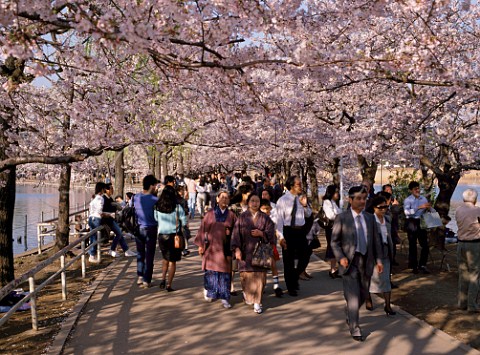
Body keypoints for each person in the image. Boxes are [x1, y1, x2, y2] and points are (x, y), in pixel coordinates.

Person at [331, 186, 383, 342]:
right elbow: (334, 242)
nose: (362, 201)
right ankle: (355, 327)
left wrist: (379, 260)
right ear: (350, 199)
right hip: (349, 263)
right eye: (359, 198)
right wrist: (340, 257)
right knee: (353, 296)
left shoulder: (370, 218)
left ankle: (350, 313)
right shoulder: (342, 218)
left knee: (362, 295)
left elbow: (376, 241)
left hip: (366, 261)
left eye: (364, 198)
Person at [231, 193, 275, 314]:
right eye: (252, 201)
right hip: (245, 252)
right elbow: (235, 234)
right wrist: (237, 249)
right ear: (248, 202)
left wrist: (262, 234)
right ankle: (248, 294)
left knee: (260, 278)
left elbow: (271, 234)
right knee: (246, 277)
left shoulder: (265, 218)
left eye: (257, 201)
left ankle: (257, 302)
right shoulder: (242, 217)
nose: (255, 203)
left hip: (260, 252)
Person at [194, 191, 237, 309]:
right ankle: (210, 291)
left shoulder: (232, 215)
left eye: (227, 197)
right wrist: (201, 245)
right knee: (211, 270)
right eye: (222, 197)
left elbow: (236, 230)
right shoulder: (210, 214)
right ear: (217, 199)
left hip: (225, 247)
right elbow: (202, 229)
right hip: (211, 247)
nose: (224, 199)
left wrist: (232, 236)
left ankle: (224, 297)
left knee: (225, 273)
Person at [275, 176, 313, 297]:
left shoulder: (302, 198)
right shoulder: (282, 200)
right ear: (291, 186)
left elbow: (309, 214)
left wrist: (305, 205)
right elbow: (279, 220)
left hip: (300, 231)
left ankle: (295, 276)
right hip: (288, 231)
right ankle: (291, 286)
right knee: (288, 260)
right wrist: (281, 237)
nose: (300, 186)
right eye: (298, 184)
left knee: (306, 254)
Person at [366, 195, 396, 316]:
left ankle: (387, 305)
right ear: (374, 208)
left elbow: (391, 234)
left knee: (386, 279)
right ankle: (368, 299)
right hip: (372, 253)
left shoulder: (388, 219)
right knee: (370, 277)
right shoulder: (370, 220)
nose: (383, 209)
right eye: (381, 207)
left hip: (386, 250)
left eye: (386, 207)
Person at [155, 184, 187, 292]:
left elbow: (155, 219)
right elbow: (184, 221)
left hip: (162, 236)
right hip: (174, 236)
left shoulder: (157, 206)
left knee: (165, 258)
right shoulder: (177, 207)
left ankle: (163, 278)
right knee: (173, 261)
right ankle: (169, 285)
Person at [455, 188, 480, 313]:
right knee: (475, 274)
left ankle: (462, 303)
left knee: (463, 274)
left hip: (461, 244)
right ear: (475, 199)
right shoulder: (477, 210)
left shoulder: (458, 210)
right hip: (474, 244)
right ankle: (472, 305)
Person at [133, 175, 159, 288]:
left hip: (138, 228)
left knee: (140, 253)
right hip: (151, 228)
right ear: (151, 186)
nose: (156, 187)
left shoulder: (136, 197)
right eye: (155, 185)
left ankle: (140, 276)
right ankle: (146, 279)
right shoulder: (155, 200)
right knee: (149, 254)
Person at [404, 181, 434, 274]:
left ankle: (422, 265)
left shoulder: (423, 198)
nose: (417, 190)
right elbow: (407, 212)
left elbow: (428, 210)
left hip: (421, 221)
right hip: (411, 221)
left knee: (425, 245)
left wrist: (429, 208)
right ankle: (414, 265)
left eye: (418, 188)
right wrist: (418, 207)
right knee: (412, 245)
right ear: (411, 190)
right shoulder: (408, 200)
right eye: (415, 189)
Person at [102, 183, 137, 258]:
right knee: (119, 233)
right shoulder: (104, 199)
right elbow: (103, 211)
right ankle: (114, 250)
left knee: (119, 234)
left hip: (111, 219)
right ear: (106, 190)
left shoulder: (110, 198)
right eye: (111, 189)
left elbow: (113, 208)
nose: (112, 190)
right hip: (107, 220)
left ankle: (126, 250)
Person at [260, 199, 283, 297]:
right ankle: (262, 286)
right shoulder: (257, 219)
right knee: (262, 268)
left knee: (273, 265)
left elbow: (277, 230)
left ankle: (276, 285)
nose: (266, 211)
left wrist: (281, 238)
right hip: (260, 246)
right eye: (264, 209)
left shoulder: (272, 219)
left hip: (271, 244)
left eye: (268, 209)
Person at [322, 184, 342, 279]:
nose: (338, 194)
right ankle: (332, 269)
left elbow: (338, 212)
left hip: (336, 227)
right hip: (331, 228)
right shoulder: (327, 202)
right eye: (336, 192)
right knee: (332, 247)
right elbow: (331, 215)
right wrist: (339, 216)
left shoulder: (333, 202)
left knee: (335, 247)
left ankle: (334, 269)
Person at [87, 182, 108, 263]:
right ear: (102, 189)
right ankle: (92, 255)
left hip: (91, 218)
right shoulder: (100, 198)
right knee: (95, 237)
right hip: (96, 218)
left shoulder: (94, 197)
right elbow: (99, 211)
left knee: (92, 237)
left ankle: (91, 254)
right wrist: (106, 215)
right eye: (104, 188)